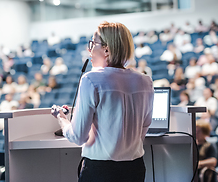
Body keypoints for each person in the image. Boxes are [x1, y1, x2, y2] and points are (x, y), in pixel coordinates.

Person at [53, 21, 154, 182]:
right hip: (135, 169)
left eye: (93, 44)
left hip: (100, 171)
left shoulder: (91, 79)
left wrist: (62, 119)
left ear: (106, 49)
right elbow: (144, 126)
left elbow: (78, 137)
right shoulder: (145, 81)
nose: (89, 49)